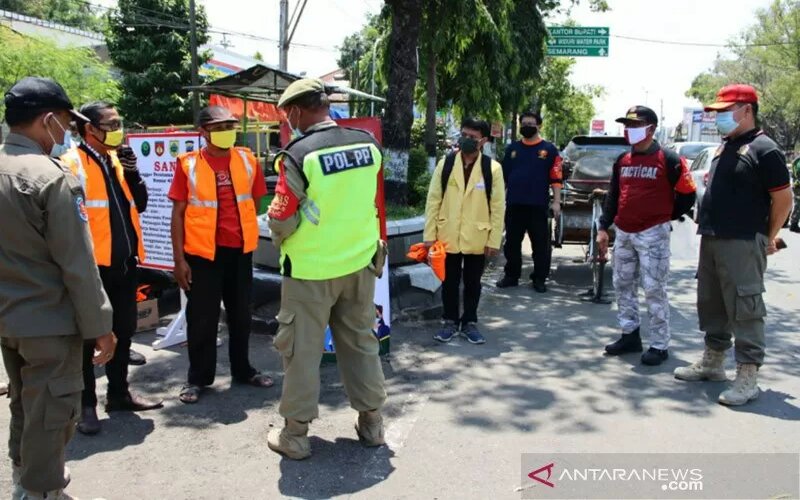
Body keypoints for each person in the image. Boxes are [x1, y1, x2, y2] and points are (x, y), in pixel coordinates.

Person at [0, 77, 117, 499]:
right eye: (66, 122)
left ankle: (22, 476)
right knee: (53, 411)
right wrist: (101, 325)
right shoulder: (52, 178)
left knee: (23, 402)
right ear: (48, 120)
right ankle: (41, 490)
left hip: (9, 321)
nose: (66, 132)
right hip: (50, 322)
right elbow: (78, 265)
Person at [266, 78, 387, 460]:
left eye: (288, 115)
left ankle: (296, 436)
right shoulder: (368, 145)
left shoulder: (298, 154)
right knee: (361, 344)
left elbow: (282, 215)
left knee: (301, 351)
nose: (289, 122)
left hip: (311, 271)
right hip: (360, 263)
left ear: (297, 112)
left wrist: (280, 236)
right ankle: (372, 425)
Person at [674, 85, 793, 405]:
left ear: (747, 110)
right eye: (716, 112)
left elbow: (784, 199)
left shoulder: (764, 149)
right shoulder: (723, 148)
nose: (718, 117)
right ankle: (713, 362)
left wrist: (766, 236)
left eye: (726, 111)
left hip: (743, 240)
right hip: (712, 237)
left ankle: (747, 375)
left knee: (745, 307)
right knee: (712, 303)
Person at [61, 101, 163, 436]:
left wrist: (133, 173)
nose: (119, 129)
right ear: (89, 129)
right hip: (93, 270)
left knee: (123, 331)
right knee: (89, 337)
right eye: (112, 123)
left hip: (124, 264)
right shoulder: (71, 164)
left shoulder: (117, 160)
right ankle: (86, 404)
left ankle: (118, 394)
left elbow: (141, 204)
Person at [168, 106, 273, 404]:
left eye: (230, 125)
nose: (227, 130)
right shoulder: (187, 165)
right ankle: (198, 379)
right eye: (219, 126)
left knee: (241, 315)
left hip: (239, 252)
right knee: (202, 317)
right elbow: (177, 214)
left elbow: (253, 199)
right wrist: (179, 261)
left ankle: (243, 370)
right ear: (203, 132)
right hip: (202, 255)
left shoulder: (246, 159)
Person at [597, 106, 696, 366]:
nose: (629, 130)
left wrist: (665, 215)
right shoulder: (623, 160)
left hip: (653, 233)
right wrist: (603, 227)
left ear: (651, 129)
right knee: (622, 285)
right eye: (627, 125)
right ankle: (630, 335)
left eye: (635, 125)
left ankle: (659, 344)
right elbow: (613, 196)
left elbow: (688, 195)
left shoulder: (670, 159)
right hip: (624, 232)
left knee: (653, 289)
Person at [424, 118, 506, 345]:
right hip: (447, 234)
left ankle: (469, 322)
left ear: (484, 141)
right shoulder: (446, 164)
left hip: (478, 236)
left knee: (472, 282)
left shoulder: (493, 169)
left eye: (472, 137)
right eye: (464, 135)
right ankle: (449, 321)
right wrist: (429, 236)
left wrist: (494, 239)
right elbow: (433, 201)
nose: (466, 140)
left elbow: (498, 207)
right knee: (449, 281)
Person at [496, 111, 562, 292]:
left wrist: (556, 202)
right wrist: (498, 202)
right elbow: (503, 178)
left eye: (531, 123)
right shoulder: (512, 149)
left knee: (540, 245)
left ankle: (539, 278)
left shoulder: (549, 150)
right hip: (514, 204)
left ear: (539, 125)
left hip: (538, 205)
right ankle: (511, 276)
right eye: (524, 123)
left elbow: (556, 178)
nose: (527, 126)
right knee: (511, 243)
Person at [790, 155, 800, 233]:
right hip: (798, 186)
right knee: (798, 205)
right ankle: (794, 224)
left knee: (797, 204)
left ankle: (794, 223)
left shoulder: (797, 160)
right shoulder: (798, 161)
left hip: (796, 185)